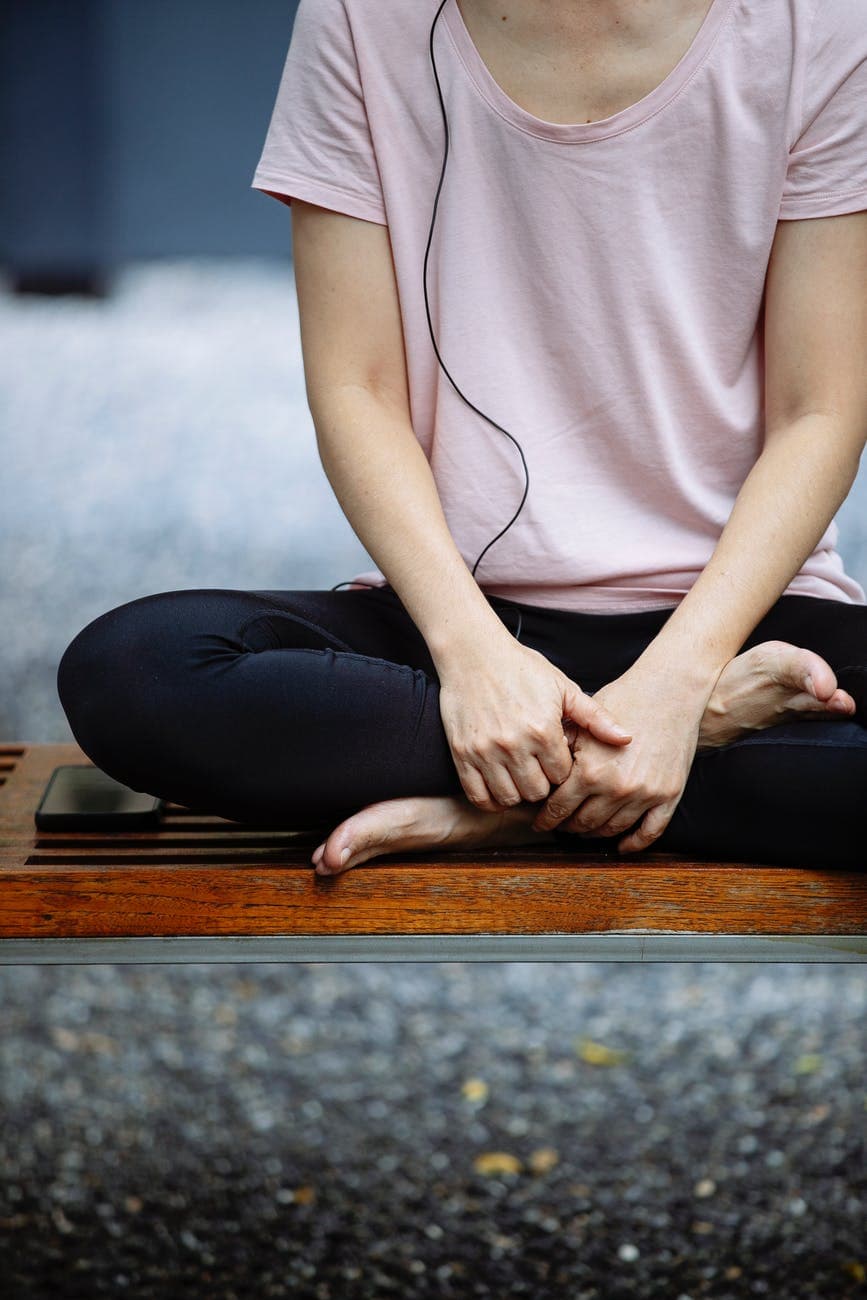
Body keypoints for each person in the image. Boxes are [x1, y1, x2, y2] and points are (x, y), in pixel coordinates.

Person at [57, 0, 867, 870]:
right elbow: (357, 390)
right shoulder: (358, 19)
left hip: (740, 625)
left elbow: (816, 413)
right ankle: (670, 763)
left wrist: (680, 686)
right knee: (133, 672)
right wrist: (473, 657)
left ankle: (495, 809)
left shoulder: (818, 23)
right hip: (464, 632)